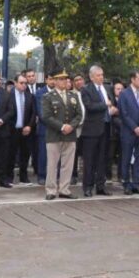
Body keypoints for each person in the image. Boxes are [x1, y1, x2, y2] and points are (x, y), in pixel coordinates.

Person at [42, 71, 83, 200]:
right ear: (54, 81)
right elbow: (46, 116)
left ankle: (64, 189)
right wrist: (62, 126)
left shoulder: (73, 96)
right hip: (54, 135)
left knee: (68, 164)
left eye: (65, 79)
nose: (64, 82)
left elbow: (79, 115)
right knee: (52, 164)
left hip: (70, 135)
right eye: (60, 79)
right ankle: (51, 190)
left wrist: (71, 126)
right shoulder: (48, 96)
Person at [80, 65, 117, 197]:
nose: (101, 77)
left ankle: (100, 186)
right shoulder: (86, 89)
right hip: (91, 130)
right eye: (98, 75)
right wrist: (105, 105)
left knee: (103, 159)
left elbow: (111, 103)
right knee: (89, 160)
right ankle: (88, 187)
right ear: (91, 76)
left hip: (106, 127)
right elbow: (89, 106)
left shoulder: (106, 88)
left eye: (102, 75)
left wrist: (111, 110)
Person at [118, 71, 139, 195]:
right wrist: (134, 127)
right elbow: (124, 114)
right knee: (126, 159)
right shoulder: (124, 94)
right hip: (128, 132)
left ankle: (136, 184)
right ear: (132, 79)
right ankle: (126, 184)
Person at [6, 73, 36, 186]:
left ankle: (24, 178)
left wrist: (29, 126)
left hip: (26, 130)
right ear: (15, 83)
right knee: (11, 155)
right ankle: (9, 177)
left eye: (25, 83)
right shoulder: (8, 95)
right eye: (21, 83)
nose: (24, 85)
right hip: (12, 130)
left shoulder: (30, 96)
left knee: (25, 154)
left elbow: (33, 113)